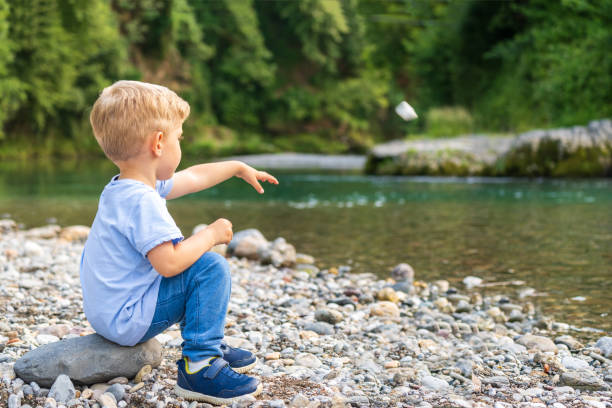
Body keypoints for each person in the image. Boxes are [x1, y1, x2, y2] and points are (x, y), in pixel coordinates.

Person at [79, 80, 278, 404]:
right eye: (179, 138)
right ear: (159, 143)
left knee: (195, 265)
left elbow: (195, 176)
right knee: (209, 267)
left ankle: (206, 336)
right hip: (126, 318)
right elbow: (169, 264)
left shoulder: (125, 187)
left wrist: (237, 167)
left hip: (109, 310)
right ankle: (199, 365)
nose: (180, 145)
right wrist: (210, 235)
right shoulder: (142, 201)